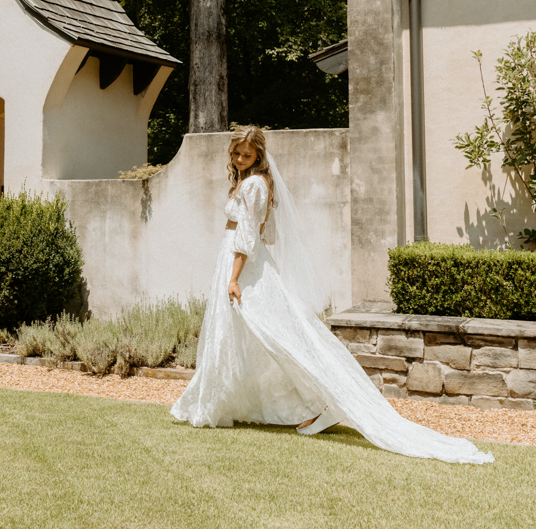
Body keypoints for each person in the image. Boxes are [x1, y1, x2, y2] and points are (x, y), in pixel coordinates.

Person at [171, 125, 494, 465]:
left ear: (259, 156)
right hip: (243, 262)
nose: (239, 159)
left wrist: (234, 277)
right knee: (261, 335)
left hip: (243, 265)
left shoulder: (253, 184)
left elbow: (248, 236)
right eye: (236, 154)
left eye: (247, 155)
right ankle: (243, 401)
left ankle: (321, 403)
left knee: (279, 337)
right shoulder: (254, 182)